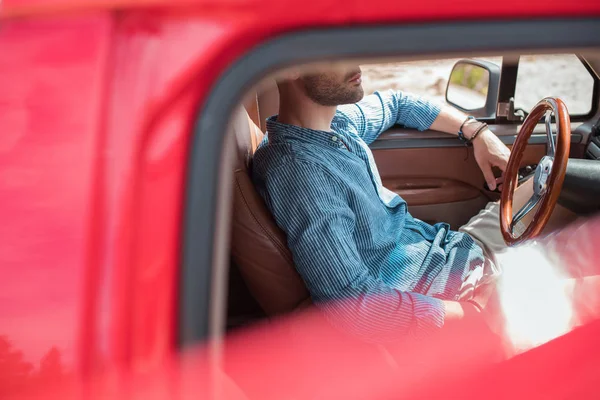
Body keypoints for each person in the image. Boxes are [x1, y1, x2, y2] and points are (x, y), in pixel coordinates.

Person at [250, 62, 582, 344]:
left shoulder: (335, 126)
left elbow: (396, 102)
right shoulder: (302, 173)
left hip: (453, 253)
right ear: (291, 66)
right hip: (461, 293)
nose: (355, 59)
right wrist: (474, 312)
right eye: (335, 49)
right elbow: (351, 302)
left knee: (559, 183)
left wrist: (477, 132)